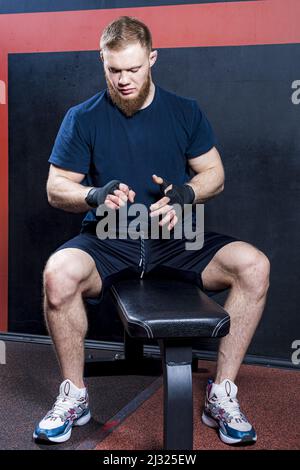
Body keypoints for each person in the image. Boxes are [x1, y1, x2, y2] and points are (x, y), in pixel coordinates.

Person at [33, 16, 270, 446]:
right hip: (109, 237)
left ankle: (222, 394)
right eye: (114, 70)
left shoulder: (184, 111)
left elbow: (214, 174)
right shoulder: (82, 117)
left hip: (177, 240)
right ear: (102, 62)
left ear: (152, 59)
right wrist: (93, 195)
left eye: (134, 69)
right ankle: (74, 395)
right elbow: (55, 188)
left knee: (253, 265)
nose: (124, 80)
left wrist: (186, 194)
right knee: (57, 273)